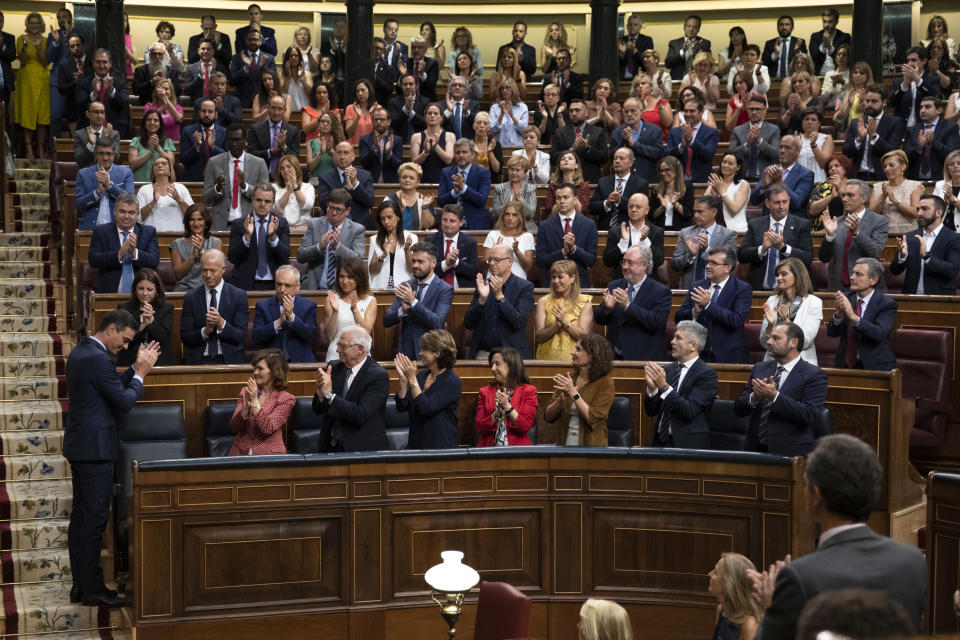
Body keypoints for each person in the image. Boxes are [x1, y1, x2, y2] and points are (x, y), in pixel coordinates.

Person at [748, 434, 927, 640]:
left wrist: (771, 610)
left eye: (805, 486)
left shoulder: (799, 578)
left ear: (816, 497)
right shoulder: (914, 561)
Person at [66, 309, 160, 608]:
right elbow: (123, 401)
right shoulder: (97, 358)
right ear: (110, 329)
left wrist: (132, 367)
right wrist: (141, 374)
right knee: (93, 522)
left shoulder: (84, 351)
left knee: (81, 520)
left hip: (83, 448)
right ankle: (93, 590)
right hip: (95, 451)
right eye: (124, 339)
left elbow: (109, 385)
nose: (124, 345)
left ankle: (81, 586)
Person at [735, 321, 828, 456]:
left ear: (793, 343)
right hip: (754, 450)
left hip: (791, 453)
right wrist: (753, 398)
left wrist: (775, 396)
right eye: (770, 337)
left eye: (776, 338)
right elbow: (738, 410)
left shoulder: (814, 375)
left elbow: (809, 414)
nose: (769, 342)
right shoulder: (760, 368)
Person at [314, 326, 390, 452]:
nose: (337, 350)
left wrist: (329, 395)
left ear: (359, 349)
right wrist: (320, 393)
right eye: (338, 345)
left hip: (362, 451)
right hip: (331, 446)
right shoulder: (333, 367)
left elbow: (360, 414)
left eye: (343, 346)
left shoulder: (378, 376)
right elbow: (317, 409)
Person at [644, 319, 717, 448]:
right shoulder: (667, 370)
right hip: (660, 441)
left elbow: (689, 410)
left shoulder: (707, 375)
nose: (672, 342)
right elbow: (651, 412)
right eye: (673, 337)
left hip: (688, 445)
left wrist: (664, 386)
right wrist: (652, 390)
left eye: (678, 338)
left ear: (693, 346)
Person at [675, 248, 753, 364]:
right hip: (698, 354)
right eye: (708, 262)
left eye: (713, 263)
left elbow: (737, 319)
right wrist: (694, 312)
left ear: (728, 268)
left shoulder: (742, 289)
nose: (707, 266)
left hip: (729, 355)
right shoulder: (697, 286)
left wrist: (708, 305)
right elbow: (678, 318)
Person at [596, 245, 671, 361]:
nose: (625, 267)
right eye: (624, 262)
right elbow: (599, 319)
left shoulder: (660, 291)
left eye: (630, 263)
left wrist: (628, 306)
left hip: (644, 359)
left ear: (644, 265)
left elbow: (656, 322)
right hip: (613, 358)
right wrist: (607, 308)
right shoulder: (614, 285)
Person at [384, 243, 454, 360]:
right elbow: (386, 321)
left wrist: (413, 302)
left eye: (420, 262)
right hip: (406, 353)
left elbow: (438, 323)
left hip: (431, 354)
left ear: (433, 263)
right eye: (413, 261)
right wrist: (403, 310)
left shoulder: (444, 289)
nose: (415, 265)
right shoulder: (405, 286)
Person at [464, 243, 535, 359]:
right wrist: (481, 300)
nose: (492, 263)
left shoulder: (524, 287)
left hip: (512, 354)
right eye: (490, 260)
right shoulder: (483, 285)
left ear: (510, 261)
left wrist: (500, 297)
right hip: (484, 353)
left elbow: (518, 322)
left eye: (497, 260)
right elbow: (468, 324)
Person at [544, 334, 615, 447]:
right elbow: (548, 416)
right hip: (563, 445)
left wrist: (573, 393)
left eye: (578, 349)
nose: (573, 353)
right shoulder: (568, 379)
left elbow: (593, 419)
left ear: (592, 355)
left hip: (591, 447)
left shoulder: (605, 383)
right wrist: (560, 401)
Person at [394, 330, 461, 449]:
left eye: (425, 349)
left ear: (438, 353)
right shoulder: (422, 376)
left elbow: (426, 409)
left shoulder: (452, 381)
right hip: (416, 444)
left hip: (440, 448)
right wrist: (404, 380)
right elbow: (402, 406)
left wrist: (412, 379)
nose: (420, 353)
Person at [818, 180, 889, 292]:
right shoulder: (837, 222)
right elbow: (823, 257)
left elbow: (875, 252)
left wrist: (857, 233)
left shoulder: (878, 221)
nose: (845, 199)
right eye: (844, 195)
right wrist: (830, 236)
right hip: (837, 288)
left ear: (864, 199)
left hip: (867, 288)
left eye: (850, 195)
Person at [827, 257, 897, 370]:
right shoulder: (847, 298)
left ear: (873, 280)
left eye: (858, 274)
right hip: (844, 366)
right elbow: (831, 333)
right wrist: (838, 315)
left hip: (874, 367)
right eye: (853, 273)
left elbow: (880, 333)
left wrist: (854, 317)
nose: (852, 277)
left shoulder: (886, 304)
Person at [181, 248, 249, 364]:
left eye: (212, 270)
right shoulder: (191, 298)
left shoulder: (238, 296)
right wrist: (205, 331)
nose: (207, 275)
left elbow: (240, 336)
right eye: (204, 270)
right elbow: (185, 337)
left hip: (229, 361)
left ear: (223, 270)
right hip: (200, 360)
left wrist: (221, 323)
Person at [739, 184, 814, 289]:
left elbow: (807, 257)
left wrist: (783, 248)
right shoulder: (755, 224)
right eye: (777, 202)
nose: (781, 206)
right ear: (767, 203)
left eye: (785, 202)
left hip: (793, 290)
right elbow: (742, 255)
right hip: (760, 290)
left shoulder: (801, 225)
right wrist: (762, 249)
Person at [88, 191, 159, 296]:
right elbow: (93, 260)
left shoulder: (148, 232)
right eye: (122, 211)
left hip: (142, 295)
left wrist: (134, 252)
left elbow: (154, 261)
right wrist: (119, 254)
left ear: (137, 214)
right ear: (114, 212)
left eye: (131, 212)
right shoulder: (101, 232)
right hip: (108, 292)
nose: (126, 216)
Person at [202, 123, 270, 231]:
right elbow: (206, 197)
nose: (234, 144)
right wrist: (218, 188)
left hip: (249, 225)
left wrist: (244, 186)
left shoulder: (259, 163)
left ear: (245, 140)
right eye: (231, 140)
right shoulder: (214, 162)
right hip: (221, 225)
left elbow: (265, 195)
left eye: (238, 140)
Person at [228, 349, 295, 455]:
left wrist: (254, 401)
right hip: (240, 453)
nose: (255, 372)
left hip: (269, 456)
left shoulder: (285, 399)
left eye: (260, 369)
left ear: (274, 372)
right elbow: (234, 426)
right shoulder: (246, 391)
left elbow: (268, 428)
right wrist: (246, 407)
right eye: (255, 368)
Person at [891, 195, 960, 295]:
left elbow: (952, 270)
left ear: (939, 212)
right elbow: (895, 271)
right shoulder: (909, 237)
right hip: (910, 299)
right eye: (918, 209)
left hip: (940, 301)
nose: (919, 213)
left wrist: (927, 257)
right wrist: (901, 257)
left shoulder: (953, 238)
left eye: (924, 209)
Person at [298, 188, 366, 290]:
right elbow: (300, 256)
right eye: (331, 208)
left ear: (347, 211)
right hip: (314, 288)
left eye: (338, 210)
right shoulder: (314, 224)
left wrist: (338, 247)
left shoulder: (357, 230)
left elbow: (358, 260)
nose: (334, 213)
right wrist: (319, 247)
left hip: (343, 290)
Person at [227, 184, 291, 291]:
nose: (262, 204)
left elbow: (285, 257)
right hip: (245, 285)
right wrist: (246, 237)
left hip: (275, 285)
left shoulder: (280, 223)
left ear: (272, 203)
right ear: (252, 200)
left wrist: (273, 237)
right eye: (258, 200)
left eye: (267, 201)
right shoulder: (239, 224)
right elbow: (232, 257)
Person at [758, 257, 821, 364]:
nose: (778, 278)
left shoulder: (813, 302)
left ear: (797, 275)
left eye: (784, 274)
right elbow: (764, 343)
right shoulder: (773, 301)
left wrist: (786, 321)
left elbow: (805, 342)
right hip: (773, 363)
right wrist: (770, 324)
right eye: (777, 275)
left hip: (803, 364)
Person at [251, 265, 318, 362]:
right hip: (270, 362)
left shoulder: (309, 306)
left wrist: (292, 317)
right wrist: (278, 322)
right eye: (279, 284)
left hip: (300, 361)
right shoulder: (263, 306)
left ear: (297, 286)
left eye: (287, 285)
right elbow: (256, 338)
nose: (282, 289)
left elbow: (310, 335)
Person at [536, 183, 599, 287]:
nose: (562, 201)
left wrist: (574, 249)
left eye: (566, 197)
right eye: (558, 198)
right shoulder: (545, 226)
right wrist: (563, 252)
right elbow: (540, 261)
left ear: (575, 199)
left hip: (579, 283)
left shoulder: (589, 224)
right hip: (553, 283)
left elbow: (591, 260)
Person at [670, 196, 739, 290]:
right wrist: (691, 255)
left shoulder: (728, 235)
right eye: (694, 211)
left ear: (713, 212)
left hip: (716, 289)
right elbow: (674, 265)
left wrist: (707, 250)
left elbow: (731, 264)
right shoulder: (686, 233)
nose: (695, 215)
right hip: (689, 289)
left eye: (700, 212)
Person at [475, 347, 538, 446]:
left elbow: (524, 426)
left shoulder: (529, 391)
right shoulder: (484, 392)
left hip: (517, 452)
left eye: (497, 364)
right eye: (492, 364)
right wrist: (496, 414)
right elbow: (480, 428)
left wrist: (507, 407)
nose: (493, 369)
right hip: (488, 451)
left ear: (511, 365)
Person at [842, 84, 905, 181]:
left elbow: (893, 151)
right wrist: (859, 139)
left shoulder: (895, 123)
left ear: (884, 103)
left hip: (882, 177)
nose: (869, 104)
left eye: (874, 101)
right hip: (858, 176)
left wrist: (874, 136)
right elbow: (846, 153)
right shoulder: (856, 123)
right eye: (867, 101)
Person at [535, 260, 594, 361]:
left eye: (560, 277)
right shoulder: (544, 301)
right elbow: (538, 336)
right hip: (546, 361)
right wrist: (556, 326)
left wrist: (565, 322)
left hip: (575, 361)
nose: (556, 281)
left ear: (572, 278)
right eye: (553, 277)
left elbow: (584, 337)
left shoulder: (584, 302)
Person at [322, 258, 377, 363]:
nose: (344, 281)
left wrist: (355, 310)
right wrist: (335, 312)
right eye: (341, 276)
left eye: (350, 277)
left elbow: (366, 332)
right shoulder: (332, 299)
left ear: (359, 278)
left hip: (360, 354)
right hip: (336, 353)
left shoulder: (370, 301)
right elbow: (329, 335)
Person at [75, 135, 135, 230]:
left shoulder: (126, 173)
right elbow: (78, 204)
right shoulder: (84, 174)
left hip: (117, 229)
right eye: (101, 153)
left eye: (109, 154)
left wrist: (110, 185)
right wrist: (97, 193)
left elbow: (130, 201)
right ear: (95, 154)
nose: (105, 158)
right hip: (91, 229)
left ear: (114, 154)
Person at [314, 141, 376, 230]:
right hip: (333, 226)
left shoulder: (365, 176)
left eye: (346, 153)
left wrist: (355, 184)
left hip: (360, 225)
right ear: (334, 155)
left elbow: (370, 202)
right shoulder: (325, 178)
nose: (342, 157)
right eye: (339, 153)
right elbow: (324, 204)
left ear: (353, 157)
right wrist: (346, 189)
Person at [749, 135, 815, 217]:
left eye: (787, 148)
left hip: (792, 225)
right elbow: (754, 201)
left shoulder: (806, 174)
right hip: (769, 224)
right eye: (781, 147)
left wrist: (780, 183)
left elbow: (797, 203)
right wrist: (763, 186)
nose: (782, 150)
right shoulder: (770, 170)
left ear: (797, 152)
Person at [14, 12, 50, 162]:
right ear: (28, 24)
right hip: (26, 78)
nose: (34, 25)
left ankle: (41, 148)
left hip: (42, 78)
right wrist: (24, 48)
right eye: (32, 23)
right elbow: (22, 61)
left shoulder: (47, 40)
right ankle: (28, 148)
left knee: (42, 115)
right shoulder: (21, 39)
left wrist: (39, 48)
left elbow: (45, 63)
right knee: (27, 113)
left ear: (41, 24)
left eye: (37, 22)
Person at [603, 193, 664, 280]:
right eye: (631, 207)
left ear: (647, 210)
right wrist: (623, 243)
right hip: (622, 282)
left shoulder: (656, 232)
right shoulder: (616, 231)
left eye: (638, 207)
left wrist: (645, 241)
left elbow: (659, 261)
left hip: (648, 283)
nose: (634, 210)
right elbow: (608, 262)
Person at [549, 98, 609, 183]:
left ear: (586, 113)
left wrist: (587, 148)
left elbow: (604, 158)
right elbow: (553, 158)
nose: (573, 113)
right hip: (565, 182)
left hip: (590, 181)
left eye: (577, 110)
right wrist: (571, 150)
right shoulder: (560, 132)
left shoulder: (598, 131)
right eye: (571, 111)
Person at [438, 138, 493, 230]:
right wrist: (454, 193)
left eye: (464, 152)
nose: (461, 155)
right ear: (454, 155)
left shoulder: (482, 172)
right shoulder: (446, 172)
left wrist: (464, 188)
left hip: (474, 224)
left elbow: (482, 200)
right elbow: (440, 202)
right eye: (458, 153)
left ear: (472, 155)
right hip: (450, 225)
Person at [589, 148, 649, 230]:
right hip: (605, 230)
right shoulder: (603, 182)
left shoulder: (640, 184)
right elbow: (592, 208)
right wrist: (607, 203)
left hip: (629, 230)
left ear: (631, 163)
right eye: (615, 158)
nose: (617, 161)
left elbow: (641, 209)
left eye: (621, 158)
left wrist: (620, 200)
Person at [904, 96, 960, 182]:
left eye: (927, 107)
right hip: (915, 180)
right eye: (921, 107)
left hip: (941, 180)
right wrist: (918, 148)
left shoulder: (950, 127)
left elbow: (953, 154)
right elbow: (904, 157)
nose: (922, 110)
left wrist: (933, 144)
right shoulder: (912, 129)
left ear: (939, 110)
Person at [708, 553, 763, 640]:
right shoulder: (722, 610)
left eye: (715, 572)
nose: (709, 574)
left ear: (728, 583)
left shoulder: (749, 625)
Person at [76, 48, 129, 138]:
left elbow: (124, 104)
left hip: (115, 129)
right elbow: (80, 106)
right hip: (89, 130)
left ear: (110, 63)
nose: (101, 65)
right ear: (93, 63)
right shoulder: (83, 82)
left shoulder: (120, 81)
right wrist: (94, 93)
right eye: (98, 62)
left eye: (104, 62)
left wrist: (111, 90)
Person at [868, 149, 923, 235]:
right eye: (884, 166)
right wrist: (883, 197)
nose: (887, 169)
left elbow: (916, 213)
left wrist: (895, 200)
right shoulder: (878, 187)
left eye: (891, 165)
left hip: (909, 234)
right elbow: (871, 216)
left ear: (903, 167)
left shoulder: (914, 186)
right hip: (883, 235)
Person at [610, 97, 663, 184]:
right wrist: (624, 141)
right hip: (624, 182)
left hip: (648, 180)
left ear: (641, 111)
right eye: (626, 112)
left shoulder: (654, 130)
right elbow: (612, 156)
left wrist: (634, 144)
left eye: (633, 110)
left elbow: (658, 153)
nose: (629, 114)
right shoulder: (617, 132)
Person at [665, 97, 718, 183]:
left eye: (692, 111)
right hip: (678, 181)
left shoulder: (711, 132)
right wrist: (681, 147)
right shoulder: (674, 132)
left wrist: (691, 140)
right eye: (685, 111)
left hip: (701, 180)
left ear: (701, 113)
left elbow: (708, 154)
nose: (688, 114)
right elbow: (667, 155)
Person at [248, 94, 301, 181]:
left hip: (285, 178)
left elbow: (295, 158)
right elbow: (251, 155)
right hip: (261, 177)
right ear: (268, 108)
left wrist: (283, 147)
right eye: (273, 108)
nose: (276, 112)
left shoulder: (293, 131)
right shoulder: (256, 129)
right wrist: (271, 151)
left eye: (280, 109)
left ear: (285, 110)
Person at [171, 204, 222, 292]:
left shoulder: (216, 242)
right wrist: (193, 256)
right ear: (187, 222)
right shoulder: (177, 243)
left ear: (206, 221)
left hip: (208, 288)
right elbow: (178, 275)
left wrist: (201, 252)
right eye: (192, 220)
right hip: (184, 290)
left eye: (200, 219)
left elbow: (217, 272)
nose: (196, 223)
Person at [729, 95, 780, 184]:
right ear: (747, 110)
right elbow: (731, 154)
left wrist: (760, 141)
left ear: (764, 111)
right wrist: (747, 144)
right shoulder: (738, 130)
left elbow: (776, 154)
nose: (754, 112)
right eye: (751, 109)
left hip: (765, 179)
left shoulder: (774, 130)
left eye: (758, 109)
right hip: (742, 179)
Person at [136, 156, 194, 233]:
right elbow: (138, 217)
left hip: (177, 235)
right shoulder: (144, 189)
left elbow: (192, 215)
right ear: (152, 172)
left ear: (170, 171)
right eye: (156, 164)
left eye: (164, 164)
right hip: (151, 237)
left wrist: (179, 200)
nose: (160, 165)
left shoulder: (181, 188)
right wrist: (153, 202)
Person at [428, 205, 480, 288]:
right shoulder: (431, 241)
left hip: (462, 292)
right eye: (445, 220)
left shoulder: (470, 243)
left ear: (461, 222)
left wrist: (456, 262)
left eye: (452, 221)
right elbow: (426, 270)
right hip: (436, 291)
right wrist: (445, 263)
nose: (447, 224)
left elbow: (473, 271)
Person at [888, 46, 941, 129]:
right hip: (902, 128)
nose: (909, 64)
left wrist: (917, 79)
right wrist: (904, 84)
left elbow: (935, 97)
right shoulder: (898, 82)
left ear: (924, 61)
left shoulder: (932, 80)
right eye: (908, 60)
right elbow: (890, 102)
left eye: (914, 60)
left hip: (924, 128)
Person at [368, 201, 416, 289]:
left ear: (398, 217)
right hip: (380, 288)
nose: (386, 221)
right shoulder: (375, 239)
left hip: (404, 288)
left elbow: (412, 270)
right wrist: (383, 256)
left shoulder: (411, 238)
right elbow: (372, 271)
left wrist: (407, 250)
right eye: (383, 219)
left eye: (389, 217)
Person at [483, 201, 536, 279]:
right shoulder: (493, 235)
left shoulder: (527, 236)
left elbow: (529, 267)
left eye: (514, 215)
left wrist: (517, 251)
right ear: (503, 217)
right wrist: (496, 250)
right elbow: (484, 264)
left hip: (518, 283)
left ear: (520, 218)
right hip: (495, 281)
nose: (510, 218)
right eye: (507, 214)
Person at [181, 99, 226, 182]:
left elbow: (227, 159)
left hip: (217, 180)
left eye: (210, 111)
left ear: (216, 115)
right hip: (193, 179)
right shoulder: (188, 131)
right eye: (204, 111)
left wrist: (213, 147)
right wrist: (196, 148)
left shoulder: (224, 132)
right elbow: (183, 160)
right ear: (199, 113)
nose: (206, 114)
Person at [229, 29, 276, 109]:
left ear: (260, 41)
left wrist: (263, 69)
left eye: (255, 39)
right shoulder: (237, 58)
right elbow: (232, 82)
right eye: (249, 40)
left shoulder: (269, 58)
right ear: (245, 41)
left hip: (263, 102)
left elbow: (274, 82)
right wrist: (245, 68)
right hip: (242, 103)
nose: (252, 42)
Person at [411, 102, 456, 183]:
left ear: (441, 117)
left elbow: (449, 160)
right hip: (422, 181)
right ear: (425, 117)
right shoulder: (416, 137)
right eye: (429, 113)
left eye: (435, 113)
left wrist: (436, 147)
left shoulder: (450, 136)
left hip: (444, 180)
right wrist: (425, 152)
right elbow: (414, 163)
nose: (432, 116)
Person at [384, 162, 436, 231]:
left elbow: (428, 225)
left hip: (417, 238)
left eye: (411, 178)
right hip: (394, 237)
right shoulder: (389, 199)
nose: (407, 180)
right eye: (404, 177)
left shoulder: (423, 199)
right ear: (399, 179)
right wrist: (401, 208)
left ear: (418, 182)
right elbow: (386, 222)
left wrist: (425, 208)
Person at [705, 153, 750, 232]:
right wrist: (713, 194)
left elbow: (734, 210)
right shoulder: (716, 183)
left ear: (738, 167)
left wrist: (721, 192)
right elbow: (703, 205)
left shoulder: (743, 184)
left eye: (730, 163)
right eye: (724, 162)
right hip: (717, 231)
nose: (725, 165)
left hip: (737, 231)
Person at [128, 109, 176, 183]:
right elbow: (132, 165)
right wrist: (150, 152)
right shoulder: (136, 141)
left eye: (156, 120)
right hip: (139, 184)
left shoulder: (167, 142)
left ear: (160, 125)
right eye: (149, 120)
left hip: (160, 184)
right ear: (145, 123)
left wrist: (158, 147)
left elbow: (171, 164)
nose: (152, 123)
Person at [55, 33, 89, 137]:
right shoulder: (64, 66)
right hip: (74, 112)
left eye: (78, 45)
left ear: (84, 45)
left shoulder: (93, 62)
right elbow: (61, 89)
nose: (76, 48)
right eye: (72, 46)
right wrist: (76, 82)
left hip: (93, 111)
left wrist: (85, 79)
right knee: (79, 145)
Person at [809, 155, 855, 231]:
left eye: (837, 166)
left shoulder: (854, 186)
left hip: (847, 229)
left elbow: (854, 209)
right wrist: (831, 196)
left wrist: (839, 190)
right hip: (822, 230)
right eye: (830, 168)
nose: (833, 169)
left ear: (846, 168)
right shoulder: (822, 186)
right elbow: (812, 210)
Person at [492, 156, 538, 232]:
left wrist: (520, 199)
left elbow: (531, 213)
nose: (514, 173)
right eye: (511, 169)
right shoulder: (499, 188)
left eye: (517, 170)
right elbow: (496, 212)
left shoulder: (530, 189)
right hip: (503, 227)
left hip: (526, 228)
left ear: (524, 173)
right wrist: (511, 203)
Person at [649, 156, 694, 231]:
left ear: (676, 169)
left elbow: (689, 214)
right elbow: (651, 216)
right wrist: (662, 207)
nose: (663, 173)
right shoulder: (656, 190)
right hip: (661, 231)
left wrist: (676, 204)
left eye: (667, 170)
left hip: (681, 231)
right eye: (661, 170)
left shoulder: (687, 187)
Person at [133, 41, 182, 108]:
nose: (157, 56)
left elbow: (178, 92)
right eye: (154, 54)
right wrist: (151, 82)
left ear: (164, 56)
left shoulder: (173, 72)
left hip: (168, 107)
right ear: (150, 55)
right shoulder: (140, 70)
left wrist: (165, 81)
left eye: (160, 54)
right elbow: (135, 91)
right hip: (146, 106)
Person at [360, 107, 402, 183]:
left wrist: (389, 153)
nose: (378, 122)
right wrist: (375, 148)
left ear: (389, 122)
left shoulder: (396, 140)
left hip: (391, 184)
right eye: (376, 120)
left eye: (382, 119)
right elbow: (364, 163)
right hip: (370, 183)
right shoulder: (364, 140)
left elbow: (398, 166)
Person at [271, 155, 313, 231]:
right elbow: (276, 209)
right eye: (282, 168)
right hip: (281, 229)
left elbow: (306, 205)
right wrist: (288, 191)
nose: (285, 170)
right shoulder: (274, 187)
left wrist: (295, 187)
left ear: (296, 168)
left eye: (289, 167)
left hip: (303, 229)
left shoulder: (308, 187)